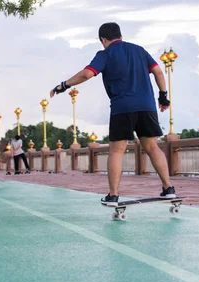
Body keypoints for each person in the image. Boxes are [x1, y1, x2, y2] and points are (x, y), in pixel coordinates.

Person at [50, 22, 176, 205]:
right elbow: (158, 72)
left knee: (117, 150)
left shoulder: (105, 54)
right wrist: (163, 96)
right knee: (152, 147)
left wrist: (64, 85)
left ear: (103, 39)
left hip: (122, 107)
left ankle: (114, 194)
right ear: (121, 36)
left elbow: (87, 74)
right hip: (146, 106)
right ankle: (168, 188)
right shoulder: (139, 50)